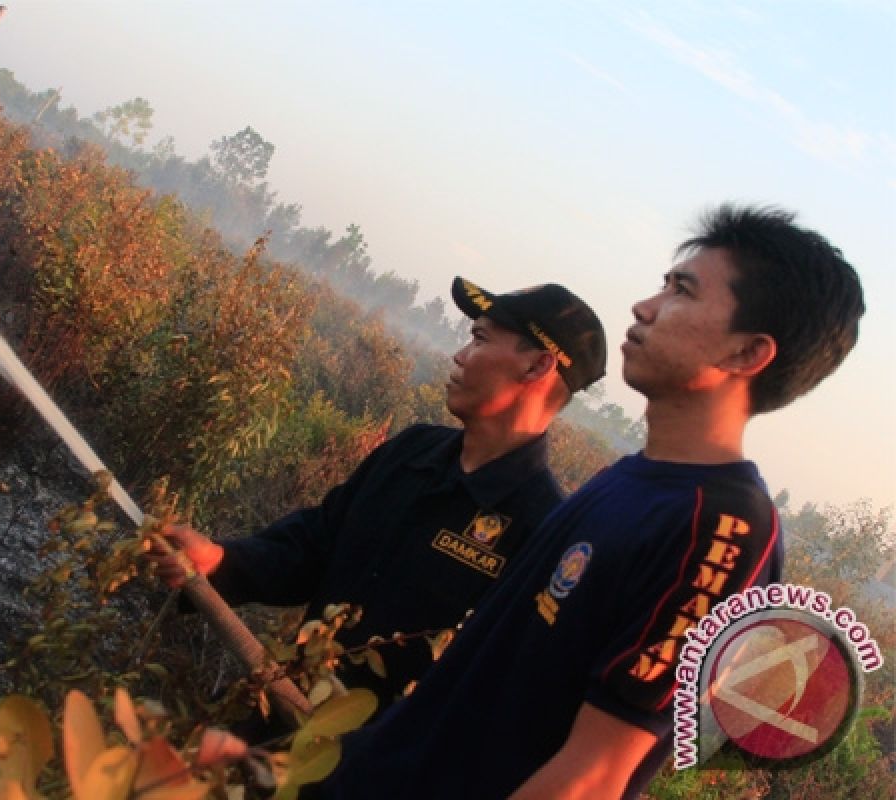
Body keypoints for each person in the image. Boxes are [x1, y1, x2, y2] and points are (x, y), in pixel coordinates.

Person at [307, 204, 866, 799]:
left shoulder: (722, 530)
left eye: (682, 291)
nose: (645, 306)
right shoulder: (626, 481)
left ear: (747, 354)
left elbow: (592, 777)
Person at [148, 277, 607, 710]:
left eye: (481, 339)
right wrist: (221, 562)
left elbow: (492, 693)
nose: (461, 356)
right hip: (276, 717)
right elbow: (315, 544)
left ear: (537, 364)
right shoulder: (413, 452)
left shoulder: (544, 533)